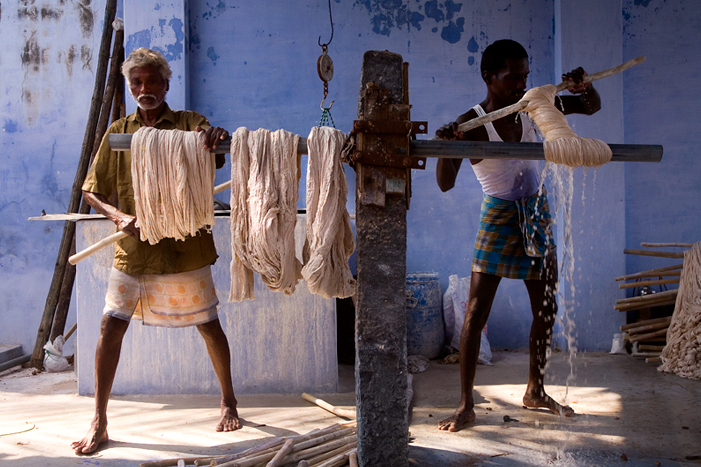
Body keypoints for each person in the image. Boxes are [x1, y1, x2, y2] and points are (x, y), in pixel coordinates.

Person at [72, 48, 239, 454]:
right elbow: (90, 190)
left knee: (208, 324)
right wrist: (118, 217)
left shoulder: (189, 124)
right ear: (131, 88)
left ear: (166, 84)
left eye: (151, 81)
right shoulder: (119, 132)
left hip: (185, 246)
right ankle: (100, 419)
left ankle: (229, 400)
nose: (144, 89)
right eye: (136, 83)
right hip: (136, 246)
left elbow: (214, 146)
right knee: (110, 326)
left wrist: (215, 138)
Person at [435, 39, 602, 432]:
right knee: (476, 313)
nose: (520, 85)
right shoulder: (471, 124)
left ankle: (535, 390)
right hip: (497, 213)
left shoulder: (535, 108)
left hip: (536, 211)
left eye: (525, 76)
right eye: (513, 78)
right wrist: (448, 147)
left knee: (546, 308)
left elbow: (591, 106)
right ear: (489, 77)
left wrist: (584, 88)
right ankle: (465, 405)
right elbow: (444, 183)